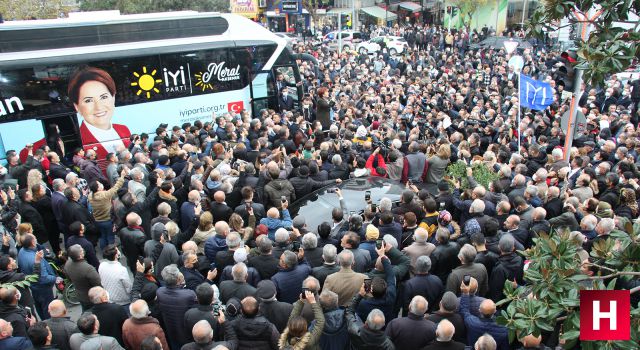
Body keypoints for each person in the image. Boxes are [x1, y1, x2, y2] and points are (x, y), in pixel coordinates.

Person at [67, 67, 131, 158]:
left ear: (113, 97)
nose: (99, 107)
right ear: (76, 106)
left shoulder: (123, 129)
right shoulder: (80, 140)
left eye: (104, 97)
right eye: (88, 100)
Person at [459, 278, 509, 350]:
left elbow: (464, 311)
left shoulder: (472, 322)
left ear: (479, 310)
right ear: (495, 311)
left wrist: (465, 293)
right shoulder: (504, 329)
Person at [155, 265, 197, 350]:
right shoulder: (189, 294)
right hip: (186, 333)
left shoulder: (159, 292)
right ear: (178, 279)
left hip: (170, 331)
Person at [16, 236, 57, 320]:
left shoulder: (21, 251)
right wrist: (54, 278)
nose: (36, 239)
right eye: (35, 239)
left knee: (40, 306)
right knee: (48, 309)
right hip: (43, 288)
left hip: (33, 286)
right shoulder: (35, 259)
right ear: (32, 243)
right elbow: (44, 278)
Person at [64, 244, 101, 311]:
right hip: (91, 297)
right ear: (80, 256)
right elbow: (98, 283)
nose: (83, 250)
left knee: (85, 311)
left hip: (80, 295)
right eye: (81, 250)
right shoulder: (88, 269)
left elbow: (69, 278)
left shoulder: (68, 264)